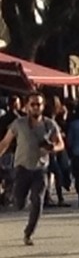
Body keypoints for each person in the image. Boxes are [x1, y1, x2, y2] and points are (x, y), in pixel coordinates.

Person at [0, 93, 65, 246]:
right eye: (33, 104)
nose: (36, 107)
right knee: (19, 203)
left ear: (43, 106)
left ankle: (28, 233)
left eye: (39, 104)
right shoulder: (18, 123)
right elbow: (5, 142)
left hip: (40, 169)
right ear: (27, 106)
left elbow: (61, 143)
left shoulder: (50, 125)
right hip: (21, 168)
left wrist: (53, 148)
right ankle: (18, 199)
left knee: (38, 200)